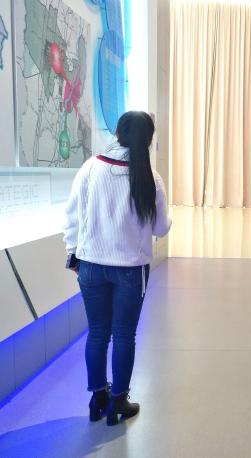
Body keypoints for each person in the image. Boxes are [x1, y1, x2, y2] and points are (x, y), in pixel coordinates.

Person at [63, 111, 172, 425]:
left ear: (118, 133)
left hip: (91, 267)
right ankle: (118, 402)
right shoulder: (150, 177)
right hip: (131, 270)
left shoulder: (90, 167)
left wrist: (74, 253)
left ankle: (97, 398)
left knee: (97, 332)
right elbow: (161, 228)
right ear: (148, 139)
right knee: (124, 335)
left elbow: (72, 217)